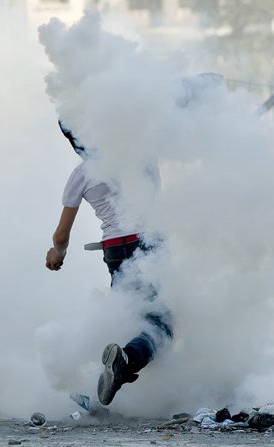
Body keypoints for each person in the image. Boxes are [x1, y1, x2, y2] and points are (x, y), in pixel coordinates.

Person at [45, 120, 173, 405]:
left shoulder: (81, 174)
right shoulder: (138, 155)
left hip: (114, 250)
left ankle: (118, 369)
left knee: (133, 314)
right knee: (159, 325)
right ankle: (125, 362)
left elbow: (61, 235)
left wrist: (57, 253)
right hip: (148, 243)